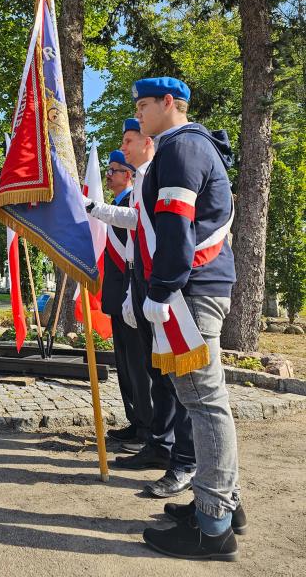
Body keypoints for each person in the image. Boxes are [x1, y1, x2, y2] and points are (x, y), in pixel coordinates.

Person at [131, 76, 243, 561]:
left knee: (203, 399)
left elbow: (177, 222)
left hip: (191, 288)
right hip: (199, 285)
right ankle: (221, 502)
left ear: (169, 103)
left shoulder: (179, 148)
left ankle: (213, 525)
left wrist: (163, 286)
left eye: (143, 105)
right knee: (200, 397)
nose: (137, 114)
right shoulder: (194, 147)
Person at [86, 119, 196, 499]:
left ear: (147, 142)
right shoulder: (148, 179)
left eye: (130, 141)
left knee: (176, 379)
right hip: (144, 285)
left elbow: (173, 232)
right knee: (156, 370)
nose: (125, 149)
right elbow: (135, 223)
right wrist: (93, 208)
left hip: (165, 288)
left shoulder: (161, 174)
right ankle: (160, 444)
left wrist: (156, 290)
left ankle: (185, 460)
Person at [87, 147, 152, 451]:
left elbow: (132, 256)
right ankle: (136, 421)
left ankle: (149, 427)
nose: (108, 175)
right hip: (117, 297)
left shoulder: (131, 204)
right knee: (125, 366)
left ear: (128, 175)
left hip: (131, 296)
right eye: (109, 170)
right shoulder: (117, 204)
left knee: (139, 365)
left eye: (114, 170)